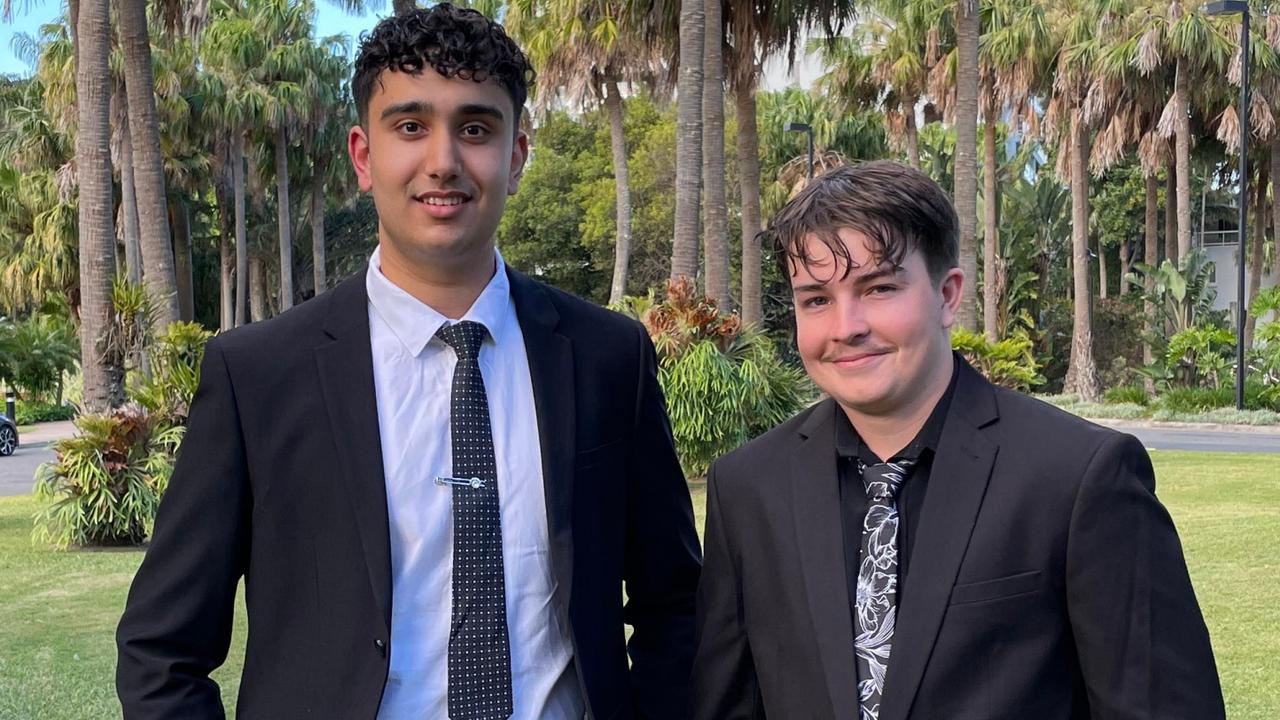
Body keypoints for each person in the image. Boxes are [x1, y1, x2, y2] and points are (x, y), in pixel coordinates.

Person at [116, 6, 701, 719]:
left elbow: (676, 606)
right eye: (411, 126)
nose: (444, 161)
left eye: (477, 129)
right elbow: (161, 650)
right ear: (364, 156)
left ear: (516, 157)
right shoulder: (259, 376)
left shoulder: (608, 356)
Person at [690, 161, 1224, 720]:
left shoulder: (1078, 477)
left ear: (947, 295)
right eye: (816, 299)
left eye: (879, 288)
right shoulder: (749, 487)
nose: (846, 326)